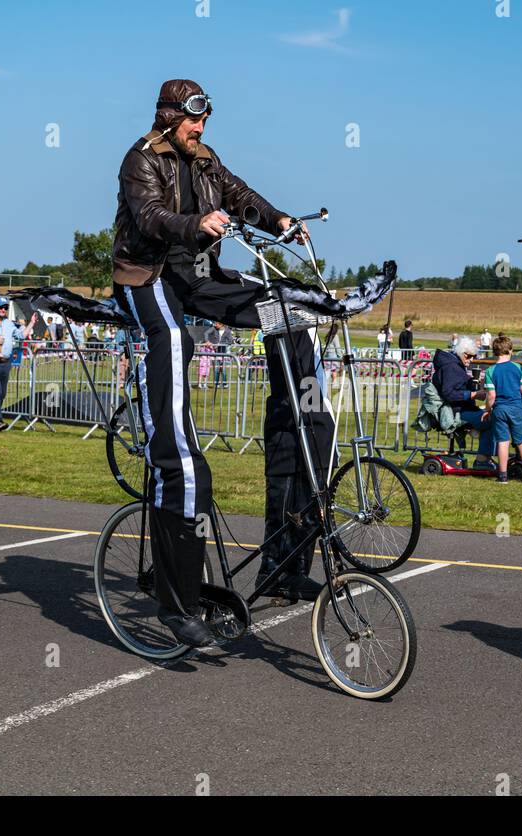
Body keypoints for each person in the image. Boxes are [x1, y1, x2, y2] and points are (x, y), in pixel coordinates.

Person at [110, 78, 395, 648]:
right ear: (169, 117)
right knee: (173, 353)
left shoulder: (207, 159)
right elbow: (151, 220)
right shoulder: (140, 160)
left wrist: (282, 221)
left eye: (205, 123)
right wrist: (196, 225)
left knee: (291, 312)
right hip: (148, 279)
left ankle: (285, 556)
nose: (200, 131)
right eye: (193, 122)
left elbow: (240, 195)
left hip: (199, 279)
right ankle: (177, 598)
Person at [431, 336, 497, 469]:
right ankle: (482, 460)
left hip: (459, 409)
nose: (472, 360)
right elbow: (449, 394)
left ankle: (484, 456)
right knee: (491, 420)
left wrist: (472, 384)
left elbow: (456, 386)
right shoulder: (451, 367)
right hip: (455, 412)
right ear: (463, 354)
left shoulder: (454, 365)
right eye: (470, 356)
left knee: (491, 417)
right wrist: (473, 394)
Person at [482, 336, 522, 483]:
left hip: (499, 408)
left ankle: (503, 475)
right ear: (511, 350)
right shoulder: (518, 368)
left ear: (494, 351)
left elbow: (491, 395)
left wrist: (487, 410)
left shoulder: (490, 371)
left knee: (503, 441)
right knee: (521, 441)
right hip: (516, 407)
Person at [0, 297, 35, 431]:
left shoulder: (9, 324)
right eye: (0, 307)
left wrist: (31, 323)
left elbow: (21, 336)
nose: (3, 309)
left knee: (2, 393)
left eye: (5, 307)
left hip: (5, 363)